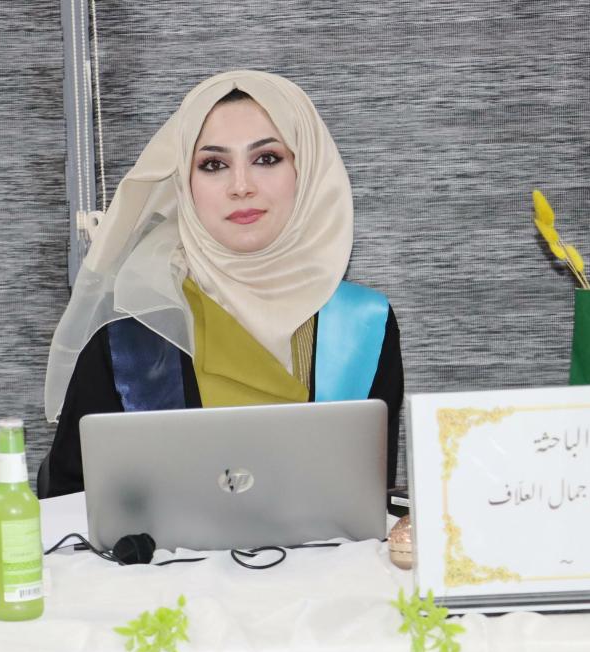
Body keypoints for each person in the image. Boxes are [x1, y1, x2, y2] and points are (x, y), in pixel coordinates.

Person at [38, 70, 403, 498]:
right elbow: (68, 503)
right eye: (214, 165)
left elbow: (367, 500)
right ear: (185, 184)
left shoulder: (365, 324)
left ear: (306, 171)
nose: (241, 187)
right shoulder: (131, 332)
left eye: (266, 159)